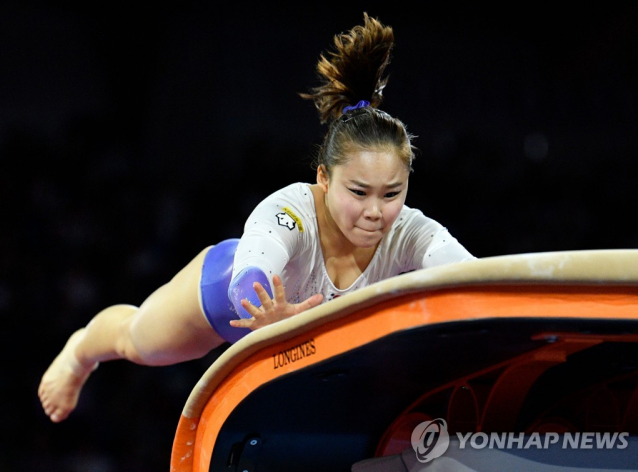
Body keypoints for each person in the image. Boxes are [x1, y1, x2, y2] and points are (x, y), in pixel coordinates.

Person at [38, 12, 475, 424]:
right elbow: (251, 276)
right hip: (222, 299)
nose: (375, 212)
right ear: (324, 178)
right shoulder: (289, 212)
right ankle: (79, 352)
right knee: (137, 343)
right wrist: (266, 308)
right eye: (358, 192)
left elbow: (477, 280)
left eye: (392, 193)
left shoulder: (412, 232)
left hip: (310, 348)